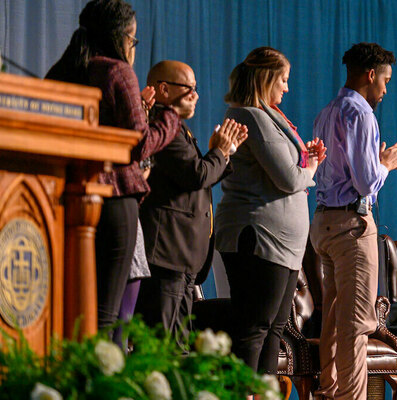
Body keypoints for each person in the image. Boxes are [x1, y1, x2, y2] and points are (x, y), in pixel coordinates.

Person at [45, 0, 181, 336]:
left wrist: (139, 109)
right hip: (114, 198)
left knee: (73, 307)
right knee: (105, 314)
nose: (132, 48)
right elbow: (137, 145)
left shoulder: (64, 70)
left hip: (68, 198)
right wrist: (169, 116)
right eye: (133, 40)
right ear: (120, 37)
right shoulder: (117, 71)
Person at [309, 42, 397, 400]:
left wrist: (383, 164)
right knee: (356, 324)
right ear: (370, 75)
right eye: (385, 80)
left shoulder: (326, 112)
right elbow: (367, 182)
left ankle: (330, 391)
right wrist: (384, 163)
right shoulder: (361, 114)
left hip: (323, 224)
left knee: (334, 319)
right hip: (351, 227)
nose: (386, 90)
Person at [214, 47, 326, 378]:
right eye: (284, 80)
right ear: (266, 79)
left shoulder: (269, 115)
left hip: (283, 245)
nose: (287, 88)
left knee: (274, 329)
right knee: (254, 329)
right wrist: (313, 165)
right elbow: (289, 178)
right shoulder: (249, 114)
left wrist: (305, 156)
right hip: (259, 238)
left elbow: (288, 169)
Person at [136, 60, 247, 350]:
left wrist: (221, 154)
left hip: (182, 259)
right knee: (163, 349)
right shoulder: (162, 128)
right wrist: (220, 152)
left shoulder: (176, 128)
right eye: (189, 89)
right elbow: (197, 174)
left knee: (179, 348)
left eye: (196, 89)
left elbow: (199, 174)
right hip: (166, 255)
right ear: (163, 89)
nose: (196, 95)